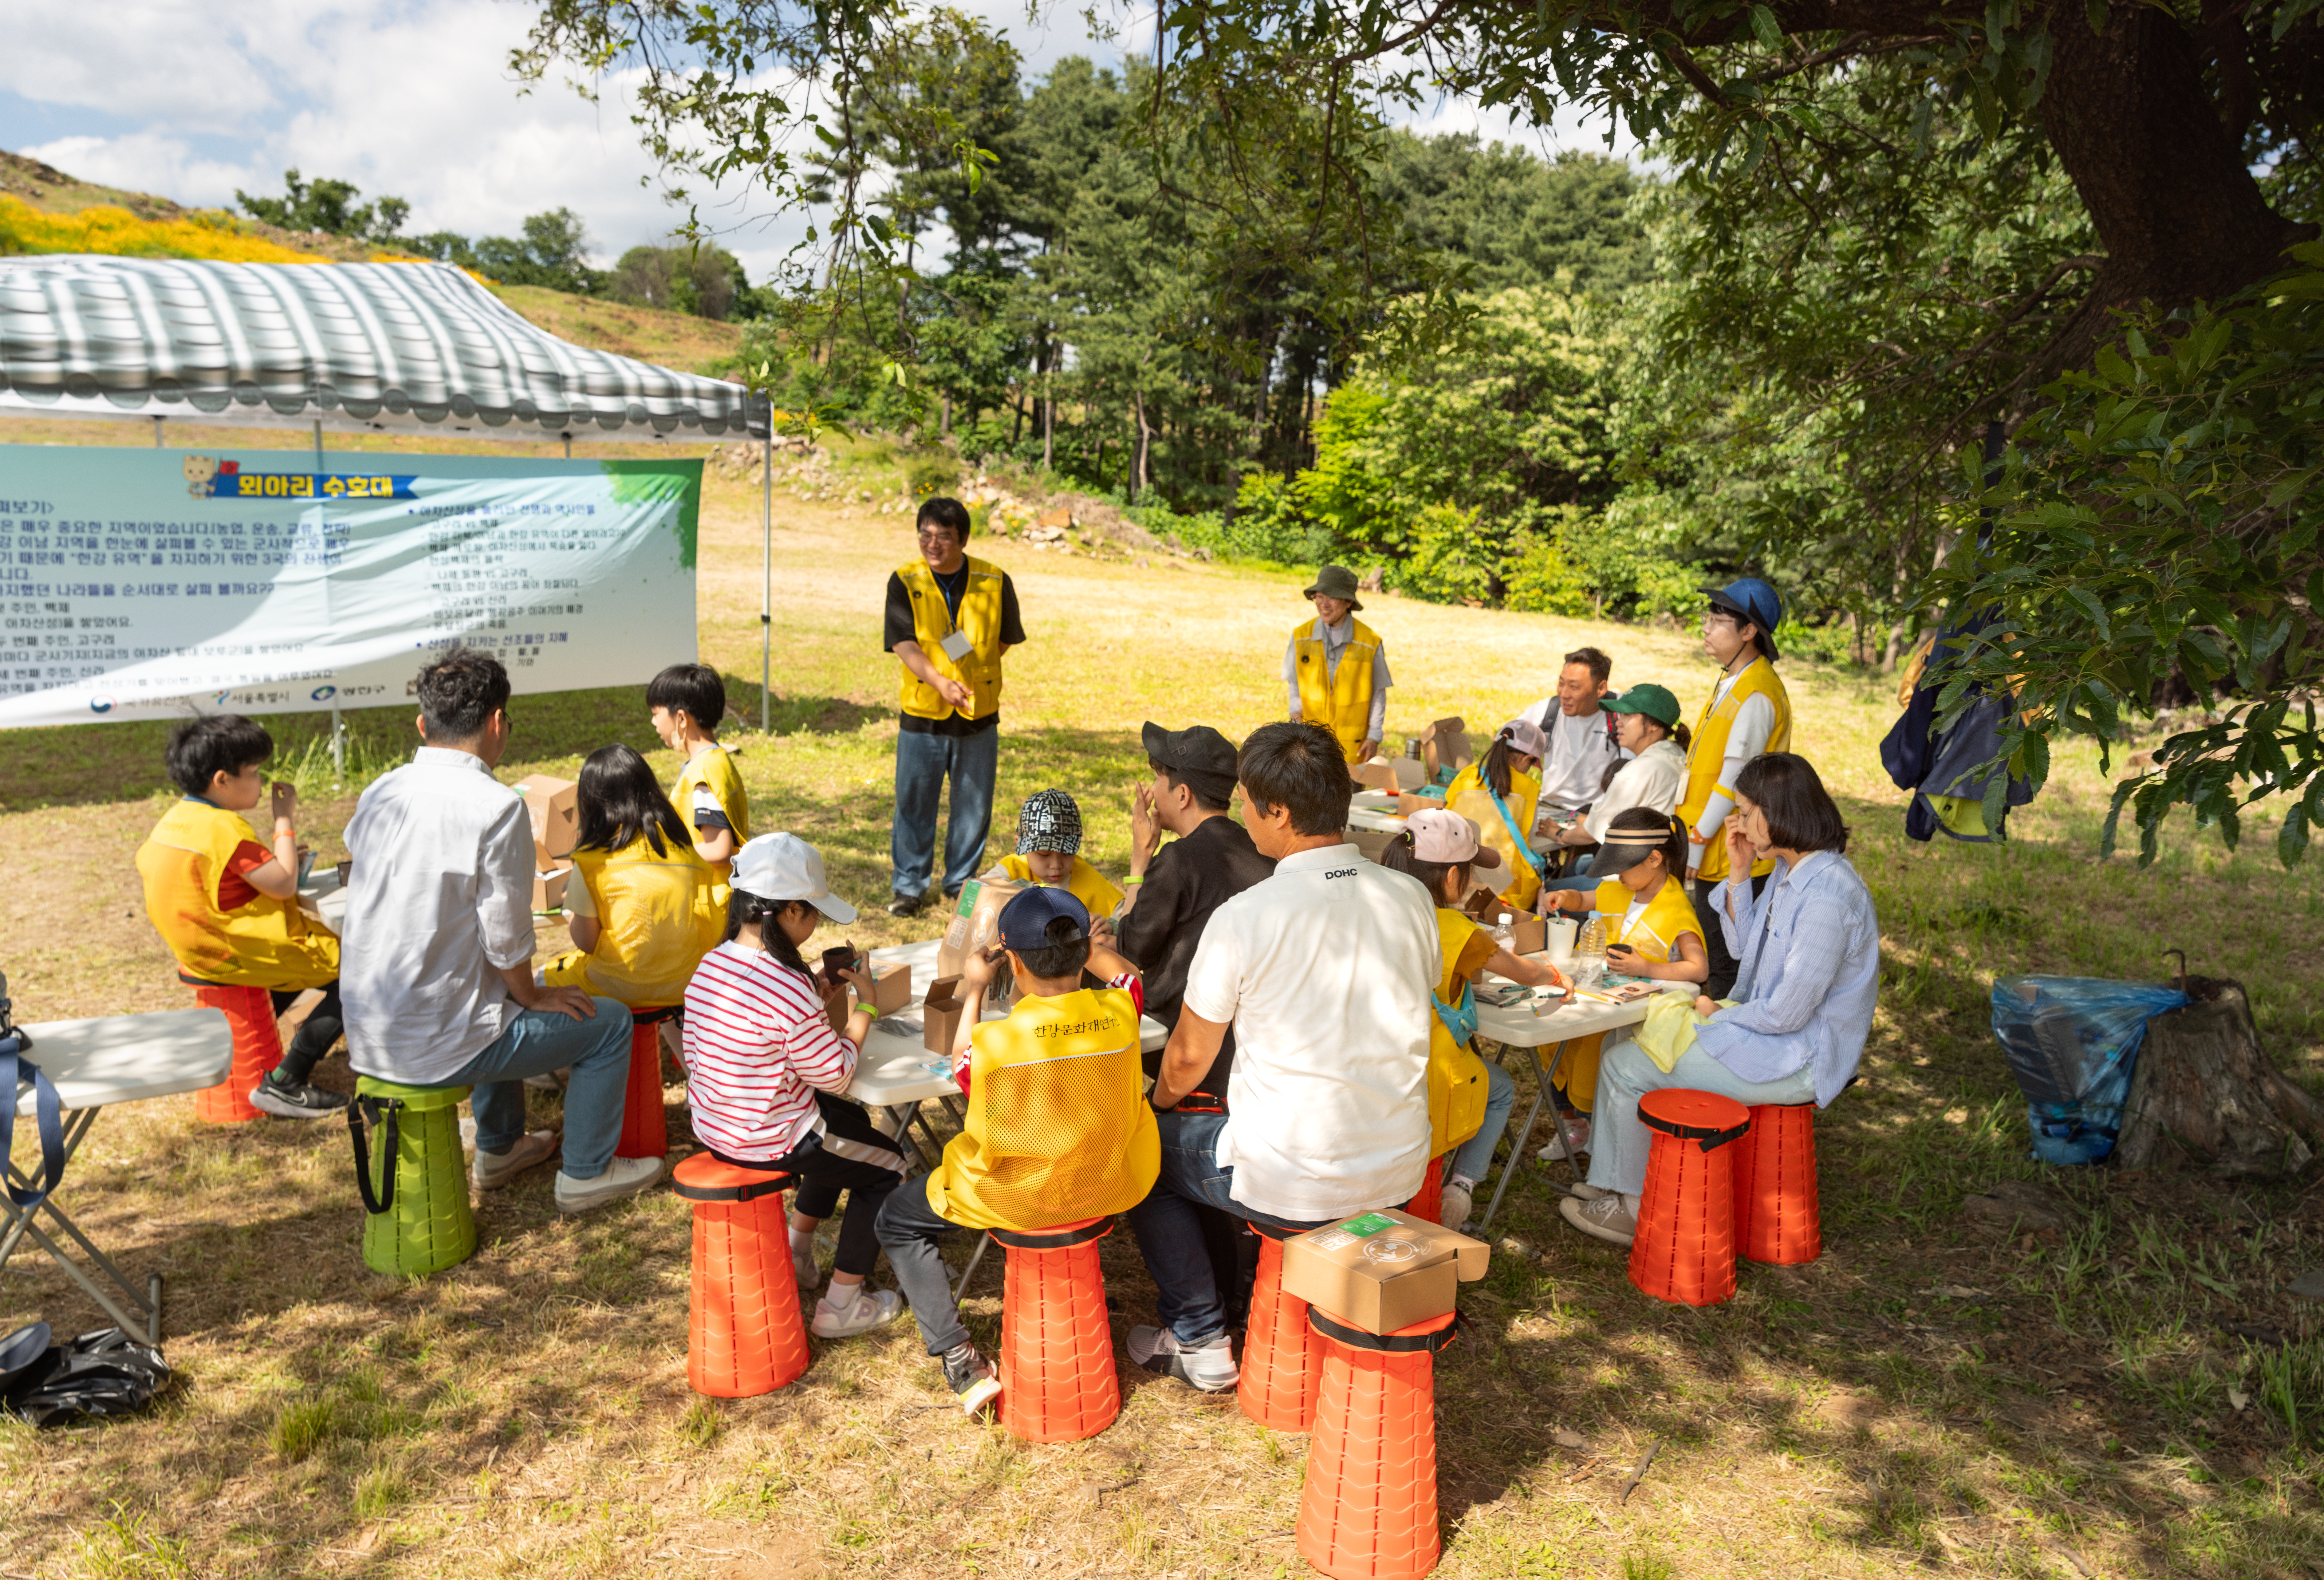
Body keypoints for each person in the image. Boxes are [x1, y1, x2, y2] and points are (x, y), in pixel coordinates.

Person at [1122, 722, 1437, 1392]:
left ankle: (1198, 1331)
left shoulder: (1246, 915)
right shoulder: (1411, 897)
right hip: (1398, 1167)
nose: (1239, 812)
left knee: (1141, 1152)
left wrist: (1156, 1108)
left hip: (1299, 1179)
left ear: (1280, 813)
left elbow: (1183, 1060)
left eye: (1246, 800)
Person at [340, 649, 659, 1213]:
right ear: (496, 723)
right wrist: (534, 994)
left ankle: (501, 1146)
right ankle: (586, 1173)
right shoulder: (495, 806)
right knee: (604, 1023)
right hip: (436, 1043)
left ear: (422, 725)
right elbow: (506, 935)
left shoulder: (381, 792)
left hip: (368, 1029)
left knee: (500, 993)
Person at [1561, 754, 1877, 1247]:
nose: (1740, 824)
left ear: (1780, 812)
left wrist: (1713, 1015)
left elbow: (1786, 1013)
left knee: (1625, 1065)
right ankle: (1612, 1179)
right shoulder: (1792, 871)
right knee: (1624, 1044)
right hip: (1767, 1032)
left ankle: (1631, 1208)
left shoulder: (1828, 896)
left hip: (1799, 1058)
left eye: (1748, 812)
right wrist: (1738, 871)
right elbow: (1742, 949)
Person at [875, 887, 1158, 1417]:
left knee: (895, 1218)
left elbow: (959, 1061)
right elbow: (1128, 976)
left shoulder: (997, 1044)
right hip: (1108, 1181)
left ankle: (958, 1359)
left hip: (1015, 1198)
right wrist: (1091, 945)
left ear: (1014, 962)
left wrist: (976, 990)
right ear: (1081, 956)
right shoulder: (1121, 1010)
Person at [681, 833, 909, 1339]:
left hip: (718, 1122)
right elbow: (836, 1073)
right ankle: (842, 1303)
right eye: (812, 915)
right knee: (890, 1167)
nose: (815, 926)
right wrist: (865, 1005)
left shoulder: (713, 963)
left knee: (849, 1125)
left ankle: (798, 1248)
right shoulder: (786, 985)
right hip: (769, 1136)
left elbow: (709, 1046)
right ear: (787, 911)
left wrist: (812, 991)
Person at [1113, 720, 1276, 1316]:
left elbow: (1130, 947)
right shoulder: (1259, 848)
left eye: (1159, 777)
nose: (1152, 788)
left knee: (1155, 1155)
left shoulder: (1178, 860)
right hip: (1253, 1051)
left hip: (1188, 1052)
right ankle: (1240, 1288)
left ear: (1181, 794)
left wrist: (1139, 859)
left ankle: (1199, 1307)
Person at [136, 714, 348, 1117]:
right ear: (222, 780)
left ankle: (247, 1052)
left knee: (311, 972)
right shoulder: (225, 829)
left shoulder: (176, 821)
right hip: (237, 952)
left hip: (199, 948)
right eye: (253, 772)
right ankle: (287, 1082)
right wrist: (283, 818)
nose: (261, 781)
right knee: (356, 971)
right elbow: (284, 885)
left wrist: (277, 861)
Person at [1380, 809, 1568, 1230]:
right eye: (1467, 872)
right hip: (1430, 1072)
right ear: (1451, 878)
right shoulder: (1453, 927)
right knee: (1500, 1087)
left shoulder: (1374, 911)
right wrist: (1556, 973)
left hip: (1380, 1068)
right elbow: (1524, 972)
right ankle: (1461, 1186)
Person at [884, 497, 1027, 916]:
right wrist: (939, 680)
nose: (932, 544)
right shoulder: (904, 580)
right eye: (925, 534)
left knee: (974, 803)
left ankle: (959, 884)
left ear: (963, 539)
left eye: (943, 537)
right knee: (913, 801)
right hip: (922, 711)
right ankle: (909, 886)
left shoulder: (994, 579)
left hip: (977, 713)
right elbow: (902, 642)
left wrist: (972, 673)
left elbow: (1004, 638)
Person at [1539, 808, 1711, 1152]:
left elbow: (1698, 968)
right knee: (1551, 1040)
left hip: (1631, 1016)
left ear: (1653, 858)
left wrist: (1647, 968)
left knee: (1591, 1053)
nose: (1616, 874)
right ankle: (1573, 1123)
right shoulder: (1619, 889)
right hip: (1597, 997)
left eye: (1622, 866)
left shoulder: (1675, 908)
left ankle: (1594, 1127)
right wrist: (1566, 898)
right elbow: (1586, 900)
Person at [541, 744, 723, 1009]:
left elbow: (586, 943)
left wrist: (573, 907)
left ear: (591, 802)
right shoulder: (687, 852)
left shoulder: (594, 861)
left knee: (536, 984)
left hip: (615, 987)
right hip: (686, 984)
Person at [1680, 579, 1794, 998]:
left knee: (1726, 961)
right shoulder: (1735, 678)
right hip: (1713, 842)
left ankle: (1727, 1045)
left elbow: (1734, 780)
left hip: (1731, 849)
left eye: (1718, 620)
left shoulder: (1757, 692)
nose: (1706, 629)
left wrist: (1696, 839)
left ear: (1749, 632)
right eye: (1706, 618)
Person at [1541, 682, 1692, 897]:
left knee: (1545, 892)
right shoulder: (1677, 756)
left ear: (1654, 726)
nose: (1618, 724)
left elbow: (1590, 834)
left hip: (1633, 881)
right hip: (1662, 872)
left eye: (1628, 716)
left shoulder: (1641, 770)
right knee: (1580, 866)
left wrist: (1558, 833)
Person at [650, 663, 751, 892]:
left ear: (682, 719)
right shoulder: (718, 759)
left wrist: (662, 857)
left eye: (656, 714)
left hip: (710, 905)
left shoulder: (703, 773)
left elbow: (718, 849)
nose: (654, 722)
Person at [1284, 565, 1391, 766]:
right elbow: (1294, 684)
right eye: (1319, 596)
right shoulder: (1300, 638)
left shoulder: (1370, 642)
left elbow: (1379, 691)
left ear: (1348, 601)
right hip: (1310, 747)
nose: (1324, 604)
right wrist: (1296, 720)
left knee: (1354, 797)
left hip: (1354, 749)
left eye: (1332, 597)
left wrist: (1374, 735)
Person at [1444, 718, 1549, 913]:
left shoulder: (1466, 775)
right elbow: (1531, 835)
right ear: (1527, 759)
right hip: (1507, 887)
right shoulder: (1530, 789)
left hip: (1459, 878)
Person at [986, 788, 1125, 921]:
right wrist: (1030, 891)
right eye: (1044, 854)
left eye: (1066, 852)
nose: (1056, 865)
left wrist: (1111, 927)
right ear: (1021, 846)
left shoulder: (1093, 886)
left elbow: (1126, 919)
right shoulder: (1013, 868)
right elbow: (981, 888)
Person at [1518, 647, 1624, 815]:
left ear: (1601, 689)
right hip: (1550, 808)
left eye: (1574, 687)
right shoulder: (1548, 710)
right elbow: (1506, 740)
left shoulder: (1623, 714)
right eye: (1561, 684)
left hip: (1599, 814)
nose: (1564, 694)